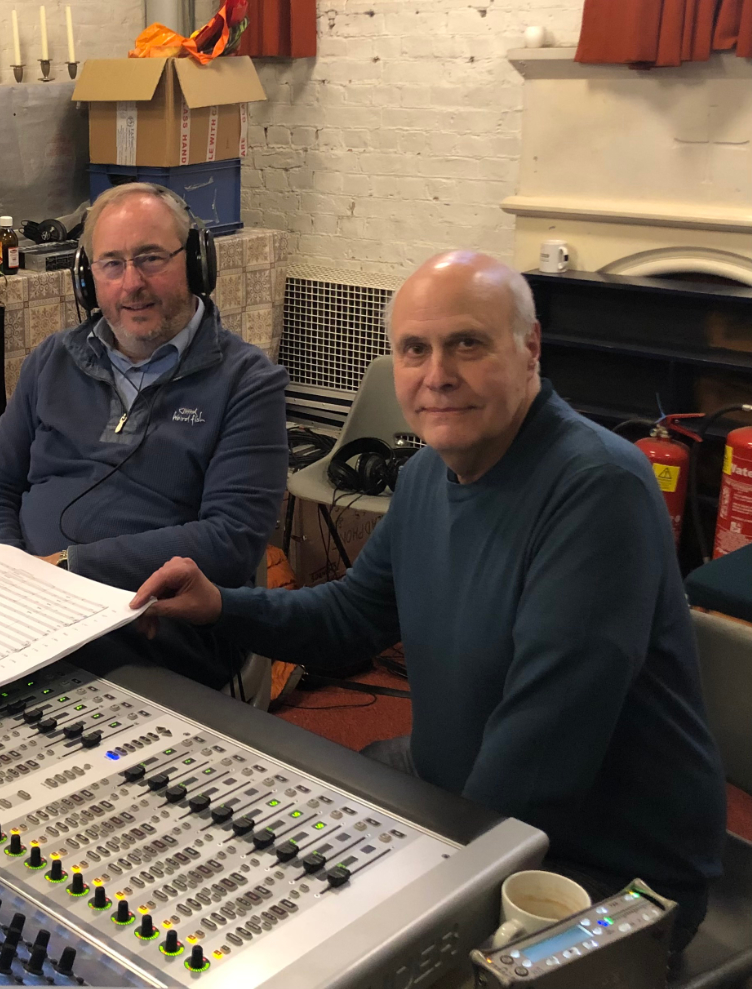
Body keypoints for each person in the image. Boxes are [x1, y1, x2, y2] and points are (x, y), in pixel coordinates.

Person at [131, 251, 726, 952]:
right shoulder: (424, 476)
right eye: (414, 349)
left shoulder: (598, 490)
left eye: (466, 344)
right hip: (463, 784)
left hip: (602, 866)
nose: (436, 374)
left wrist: (393, 906)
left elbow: (539, 758)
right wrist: (221, 605)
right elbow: (351, 615)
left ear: (529, 347)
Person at [0, 182, 288, 687]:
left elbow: (232, 539)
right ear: (87, 279)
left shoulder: (248, 383)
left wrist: (72, 569)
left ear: (198, 263)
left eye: (151, 258)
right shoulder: (52, 360)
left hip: (150, 629)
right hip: (22, 613)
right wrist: (10, 572)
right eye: (111, 264)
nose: (131, 283)